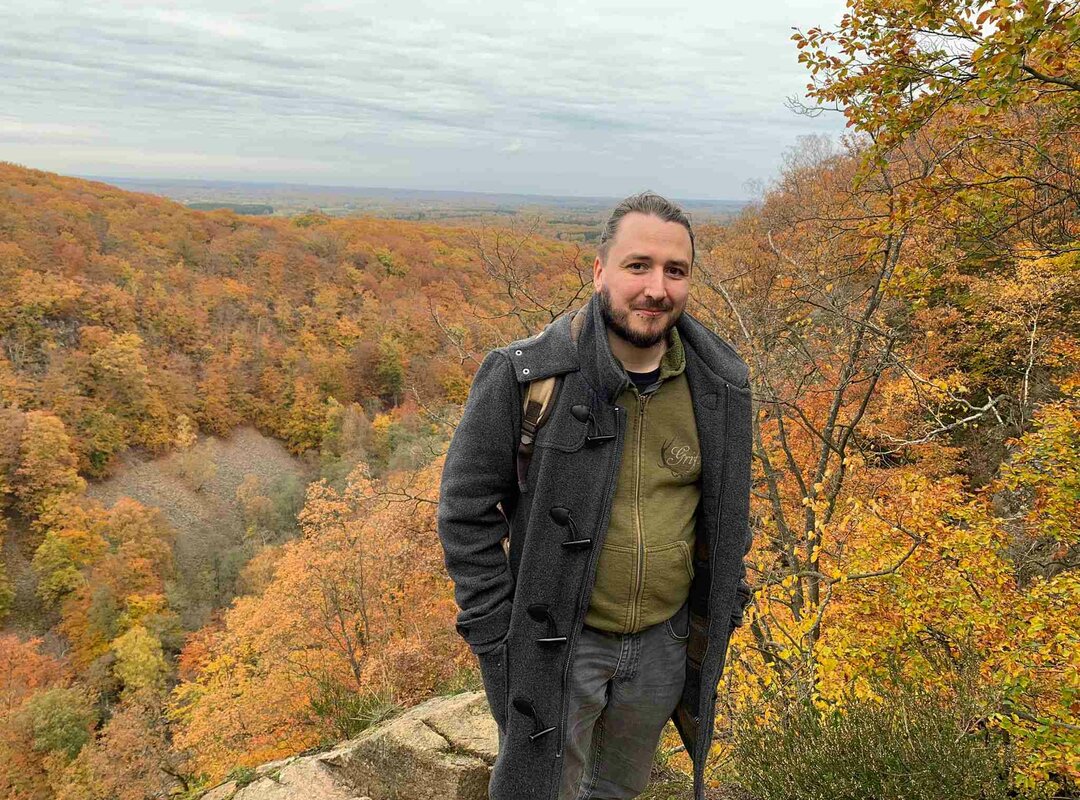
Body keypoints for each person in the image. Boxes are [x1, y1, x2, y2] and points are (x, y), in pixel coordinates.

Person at [437, 191, 754, 800]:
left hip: (663, 645)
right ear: (600, 271)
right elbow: (466, 512)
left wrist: (726, 602)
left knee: (617, 789)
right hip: (560, 643)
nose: (656, 287)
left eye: (675, 271)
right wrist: (496, 632)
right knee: (542, 789)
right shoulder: (524, 376)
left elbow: (730, 510)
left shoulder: (720, 385)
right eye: (638, 266)